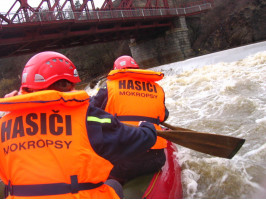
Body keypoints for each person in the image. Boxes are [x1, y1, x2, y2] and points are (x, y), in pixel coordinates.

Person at [0, 51, 158, 199]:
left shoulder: (3, 122)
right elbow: (133, 139)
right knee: (113, 184)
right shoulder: (88, 117)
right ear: (66, 86)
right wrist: (148, 129)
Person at [90, 55, 169, 184]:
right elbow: (163, 116)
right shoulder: (158, 89)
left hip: (123, 163)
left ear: (116, 70)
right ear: (137, 69)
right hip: (156, 159)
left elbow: (88, 112)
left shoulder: (109, 87)